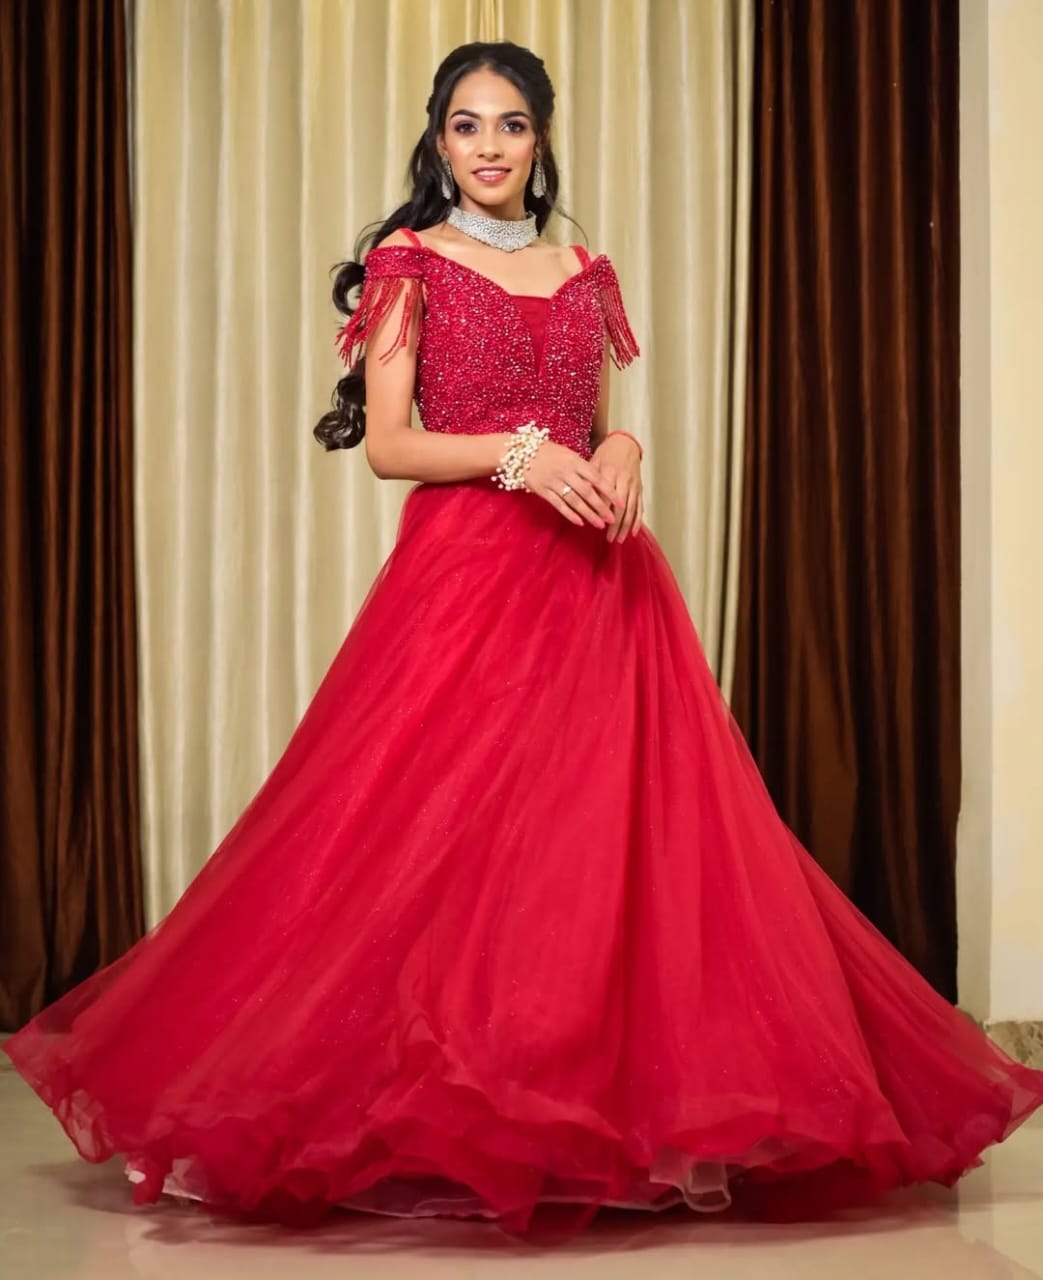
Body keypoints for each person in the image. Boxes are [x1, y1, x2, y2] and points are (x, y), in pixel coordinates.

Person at [5, 40, 1042, 1242]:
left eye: (509, 124)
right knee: (431, 833)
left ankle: (590, 1110)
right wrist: (517, 456)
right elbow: (389, 444)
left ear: (541, 136)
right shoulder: (407, 264)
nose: (488, 146)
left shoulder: (582, 267)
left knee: (595, 847)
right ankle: (445, 1105)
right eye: (465, 124)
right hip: (467, 574)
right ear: (437, 139)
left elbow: (594, 423)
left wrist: (622, 448)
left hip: (601, 577)